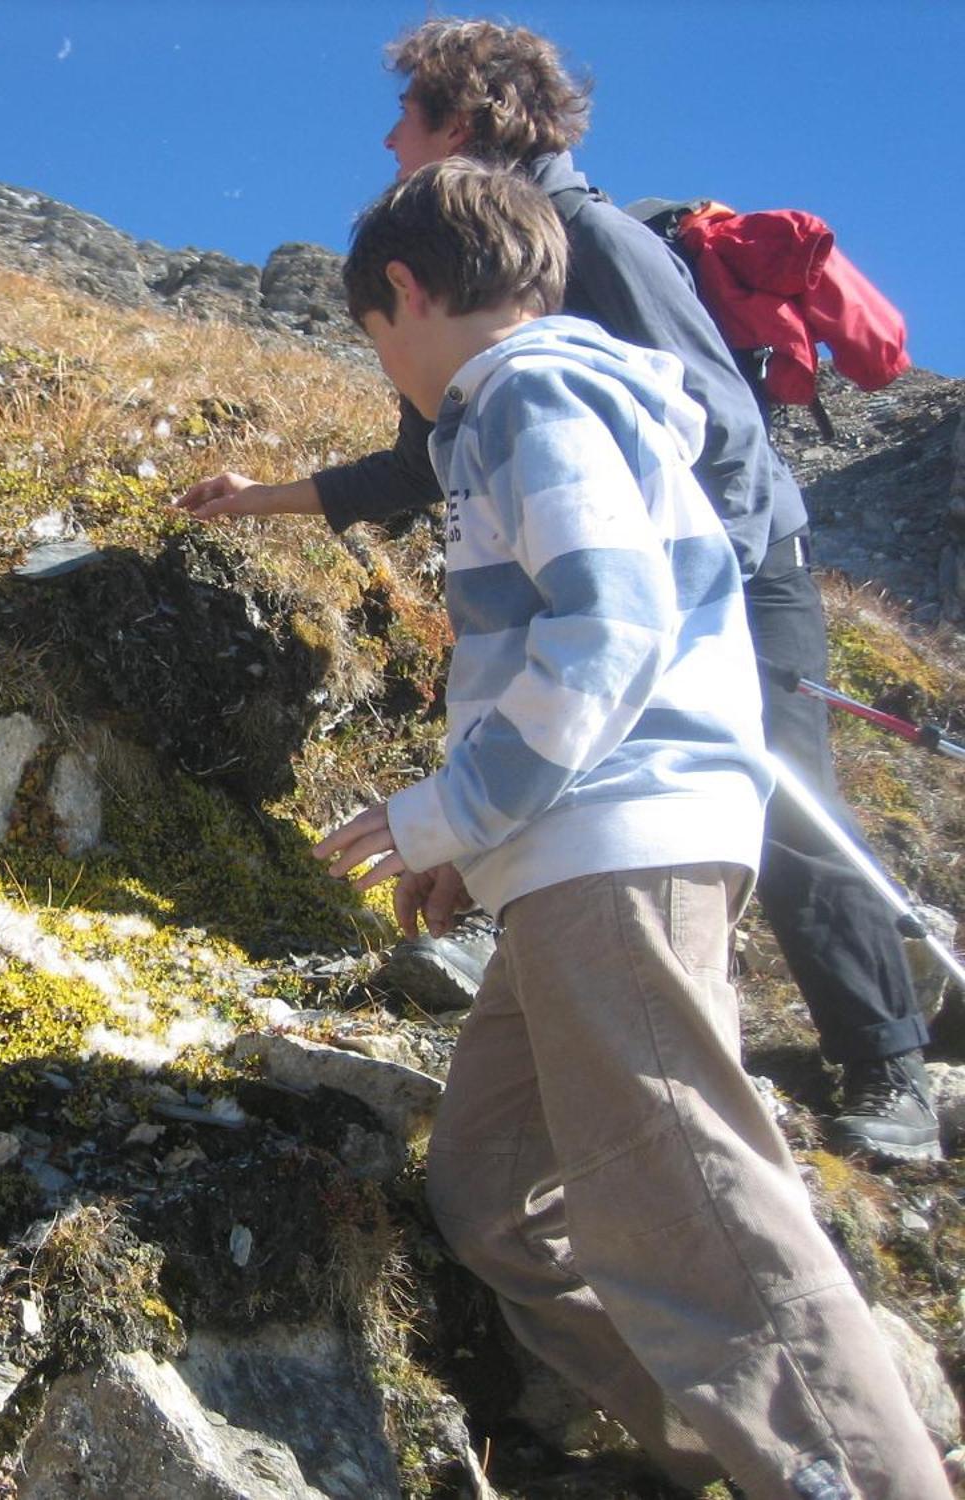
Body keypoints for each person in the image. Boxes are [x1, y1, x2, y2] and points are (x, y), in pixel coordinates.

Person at [176, 18, 939, 1161]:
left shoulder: (590, 239)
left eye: (408, 116)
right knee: (532, 693)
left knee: (784, 795)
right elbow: (418, 460)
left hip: (726, 574)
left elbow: (722, 429)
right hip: (626, 573)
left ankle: (887, 1069)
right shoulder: (466, 273)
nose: (388, 138)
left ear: (465, 122)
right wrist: (266, 499)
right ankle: (523, 937)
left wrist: (696, 604)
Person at [313, 156, 948, 1499]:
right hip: (585, 850)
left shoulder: (527, 396)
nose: (392, 375)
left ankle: (855, 1473)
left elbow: (609, 627)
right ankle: (729, 1455)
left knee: (700, 1214)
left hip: (626, 844)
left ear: (408, 293)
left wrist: (451, 812)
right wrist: (477, 847)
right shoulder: (558, 399)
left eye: (377, 338)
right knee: (491, 1187)